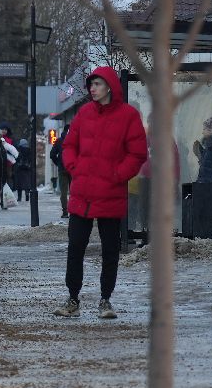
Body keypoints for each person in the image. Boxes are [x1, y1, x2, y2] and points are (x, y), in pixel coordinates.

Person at [55, 67, 147, 320]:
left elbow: (137, 154)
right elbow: (69, 145)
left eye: (97, 84)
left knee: (110, 250)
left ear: (109, 86)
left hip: (110, 194)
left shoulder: (128, 116)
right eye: (91, 84)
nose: (92, 88)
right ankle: (73, 298)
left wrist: (117, 175)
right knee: (75, 247)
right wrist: (75, 167)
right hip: (82, 194)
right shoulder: (84, 114)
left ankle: (106, 300)